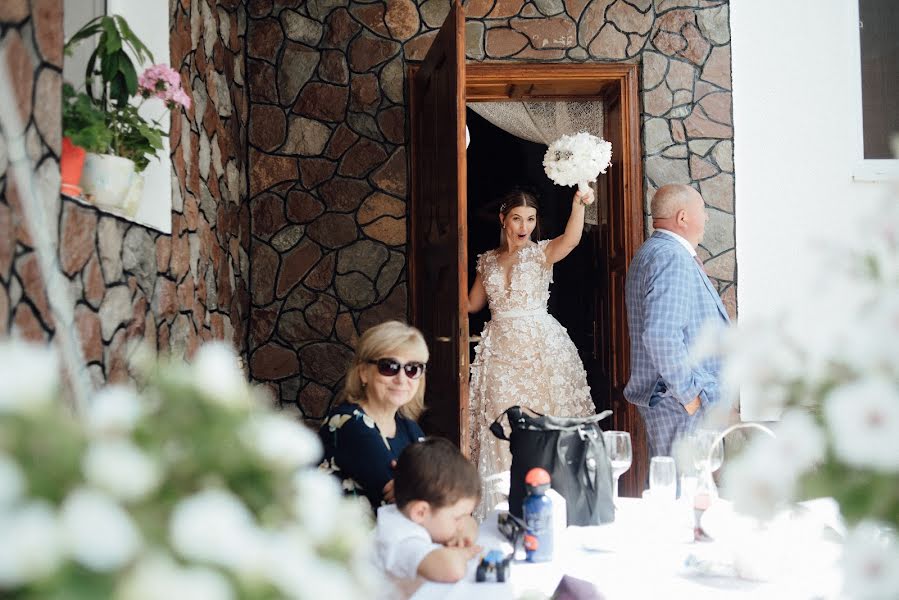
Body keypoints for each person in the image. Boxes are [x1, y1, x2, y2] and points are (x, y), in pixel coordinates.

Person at [467, 188, 597, 518]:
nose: (524, 226)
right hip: (500, 353)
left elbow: (570, 239)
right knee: (500, 426)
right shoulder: (487, 261)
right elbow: (471, 305)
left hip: (541, 351)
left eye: (530, 219)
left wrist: (578, 204)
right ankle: (502, 509)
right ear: (503, 219)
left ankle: (550, 507)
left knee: (543, 423)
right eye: (516, 219)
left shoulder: (541, 253)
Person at [623, 183, 731, 458]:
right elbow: (661, 335)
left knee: (681, 487)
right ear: (683, 217)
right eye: (703, 210)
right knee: (683, 490)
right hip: (680, 405)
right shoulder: (671, 257)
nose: (706, 218)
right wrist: (690, 395)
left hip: (677, 404)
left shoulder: (654, 252)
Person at [319, 320, 428, 512]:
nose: (402, 379)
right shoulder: (349, 423)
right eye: (389, 366)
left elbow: (432, 487)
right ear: (363, 373)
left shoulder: (409, 428)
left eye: (412, 369)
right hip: (348, 539)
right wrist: (425, 484)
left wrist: (422, 485)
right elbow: (406, 502)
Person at [374, 437, 482, 588]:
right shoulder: (399, 539)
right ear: (420, 512)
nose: (461, 525)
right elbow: (453, 570)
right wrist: (465, 553)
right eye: (457, 518)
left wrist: (463, 531)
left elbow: (470, 524)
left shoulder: (415, 517)